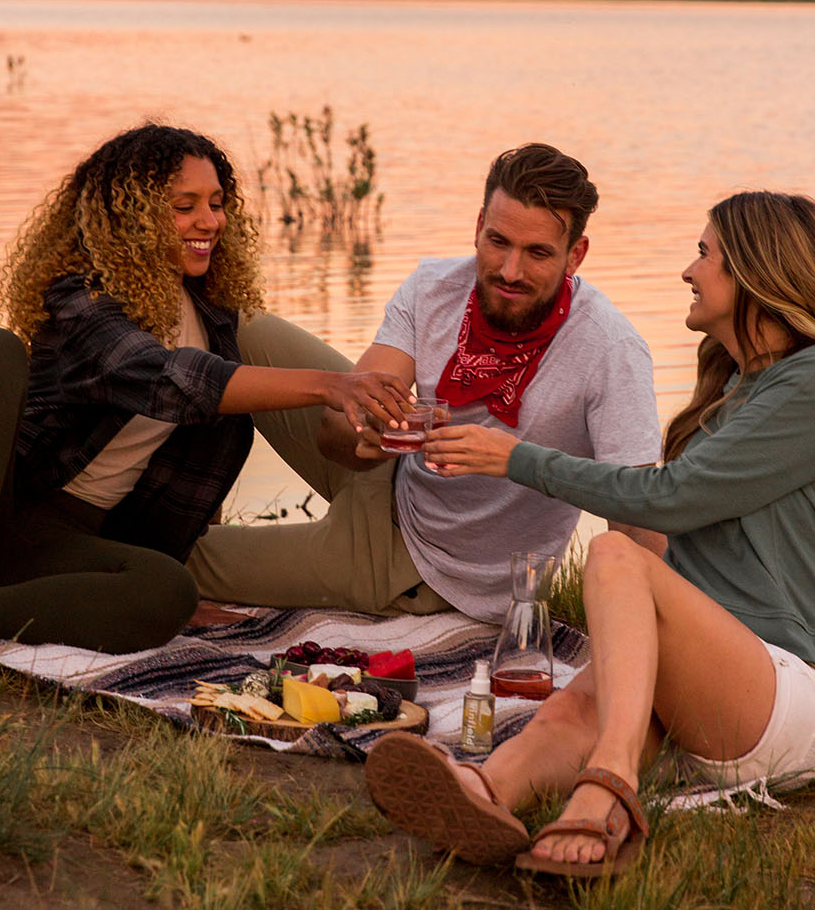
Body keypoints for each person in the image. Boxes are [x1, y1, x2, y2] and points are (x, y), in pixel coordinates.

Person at [364, 190, 815, 877]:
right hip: (710, 681)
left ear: (754, 271)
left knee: (615, 554)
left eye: (705, 254)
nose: (688, 270)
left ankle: (608, 783)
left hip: (789, 692)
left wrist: (515, 458)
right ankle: (479, 793)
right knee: (572, 707)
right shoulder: (735, 385)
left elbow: (667, 500)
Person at [0, 124, 409, 696]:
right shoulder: (82, 300)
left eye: (217, 203)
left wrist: (130, 584)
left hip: (55, 542)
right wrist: (330, 386)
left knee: (167, 592)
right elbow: (168, 379)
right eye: (184, 205)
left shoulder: (216, 320)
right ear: (131, 215)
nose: (209, 221)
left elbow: (197, 458)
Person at [185, 143, 663, 623]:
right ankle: (160, 481)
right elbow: (336, 436)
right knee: (232, 323)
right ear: (478, 227)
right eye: (498, 242)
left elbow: (636, 514)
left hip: (424, 569)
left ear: (575, 255)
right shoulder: (434, 286)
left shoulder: (610, 349)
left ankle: (131, 544)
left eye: (537, 253)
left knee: (178, 555)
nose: (510, 271)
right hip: (389, 476)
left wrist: (670, 643)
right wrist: (365, 434)